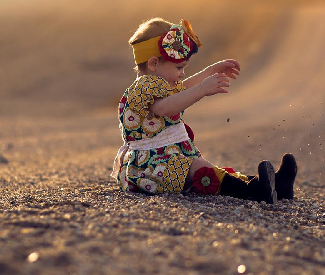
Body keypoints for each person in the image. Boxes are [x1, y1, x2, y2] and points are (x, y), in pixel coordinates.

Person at [110, 17, 297, 204]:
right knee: (200, 168)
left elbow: (182, 89)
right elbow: (164, 108)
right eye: (178, 67)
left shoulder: (158, 85)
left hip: (165, 161)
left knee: (205, 168)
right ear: (153, 64)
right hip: (150, 168)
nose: (182, 73)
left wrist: (211, 70)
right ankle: (254, 190)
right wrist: (202, 90)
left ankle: (276, 186)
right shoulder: (144, 86)